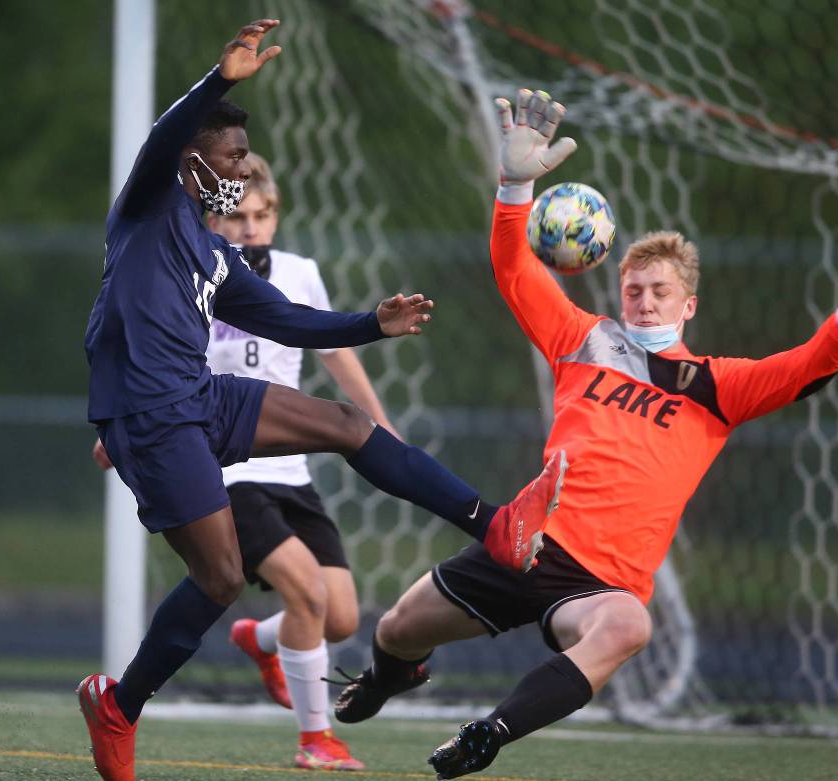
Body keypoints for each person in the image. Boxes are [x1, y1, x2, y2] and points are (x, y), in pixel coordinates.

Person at [331, 88, 838, 780]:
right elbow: (514, 267)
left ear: (688, 304)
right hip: (526, 543)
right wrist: (516, 184)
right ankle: (387, 677)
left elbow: (801, 369)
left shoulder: (717, 384)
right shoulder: (583, 339)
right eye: (634, 288)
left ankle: (488, 733)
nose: (642, 299)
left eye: (659, 291)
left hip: (600, 583)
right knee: (396, 629)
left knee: (630, 625)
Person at [77, 22, 560, 781]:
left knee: (346, 424)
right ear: (191, 157)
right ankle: (119, 702)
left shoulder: (213, 250)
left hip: (199, 396)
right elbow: (164, 133)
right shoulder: (147, 204)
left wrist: (372, 323)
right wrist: (220, 79)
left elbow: (283, 317)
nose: (241, 167)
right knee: (220, 579)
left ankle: (495, 524)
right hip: (148, 413)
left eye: (244, 156)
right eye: (232, 153)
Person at [208, 152, 396, 770]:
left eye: (262, 215)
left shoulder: (298, 273)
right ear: (213, 220)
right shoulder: (196, 279)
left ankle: (259, 640)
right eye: (237, 216)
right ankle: (317, 739)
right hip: (230, 471)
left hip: (292, 471)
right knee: (309, 594)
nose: (250, 228)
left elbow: (337, 352)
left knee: (338, 616)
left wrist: (380, 424)